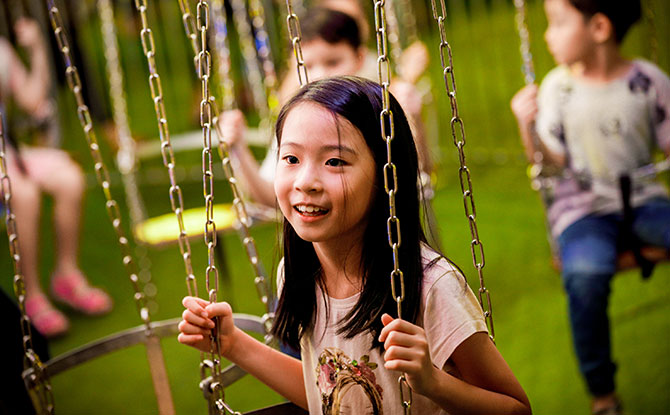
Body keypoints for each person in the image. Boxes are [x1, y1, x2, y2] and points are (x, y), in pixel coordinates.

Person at [180, 76, 531, 414]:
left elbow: (516, 409)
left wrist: (432, 382)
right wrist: (233, 344)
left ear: (385, 176)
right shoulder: (298, 273)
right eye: (291, 159)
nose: (306, 182)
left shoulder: (431, 287)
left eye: (335, 162)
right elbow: (327, 396)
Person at [510, 0, 670, 413]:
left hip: (644, 200)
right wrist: (527, 126)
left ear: (599, 27)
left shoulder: (648, 81)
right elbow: (548, 162)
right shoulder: (556, 89)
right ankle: (603, 393)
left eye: (559, 23)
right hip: (583, 212)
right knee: (583, 276)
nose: (547, 35)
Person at [219, 7, 431, 208]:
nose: (320, 75)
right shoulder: (296, 122)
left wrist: (414, 118)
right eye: (308, 65)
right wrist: (239, 149)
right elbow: (271, 198)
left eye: (333, 62)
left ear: (359, 58)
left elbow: (418, 175)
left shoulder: (377, 111)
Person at [0, 18, 112, 338]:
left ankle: (66, 274)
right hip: (8, 163)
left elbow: (32, 101)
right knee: (24, 193)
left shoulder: (2, 49)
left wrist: (36, 49)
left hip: (8, 153)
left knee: (69, 177)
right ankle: (32, 294)